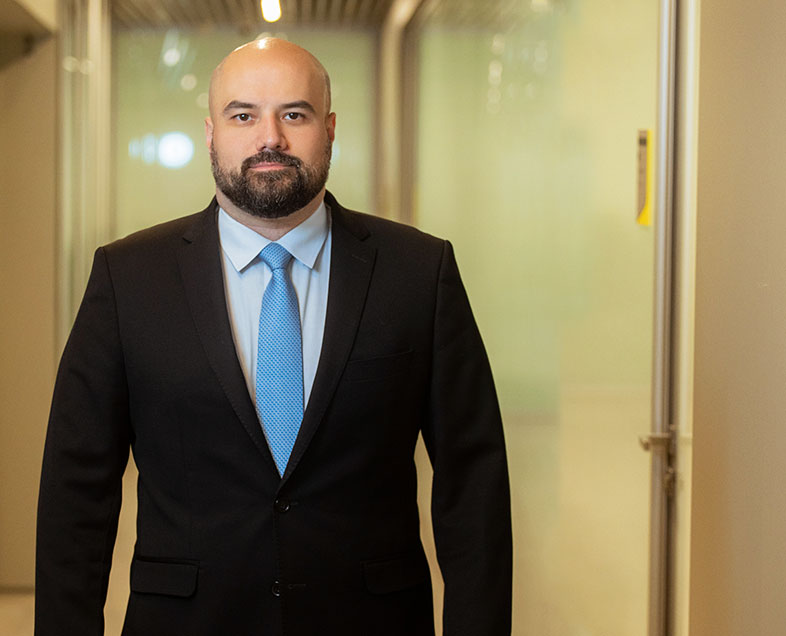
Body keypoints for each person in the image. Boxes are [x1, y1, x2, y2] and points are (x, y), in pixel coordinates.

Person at [35, 38, 511, 636]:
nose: (271, 139)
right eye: (243, 115)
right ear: (211, 132)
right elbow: (77, 490)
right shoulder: (129, 277)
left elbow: (475, 483)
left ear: (330, 128)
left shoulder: (419, 272)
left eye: (294, 114)